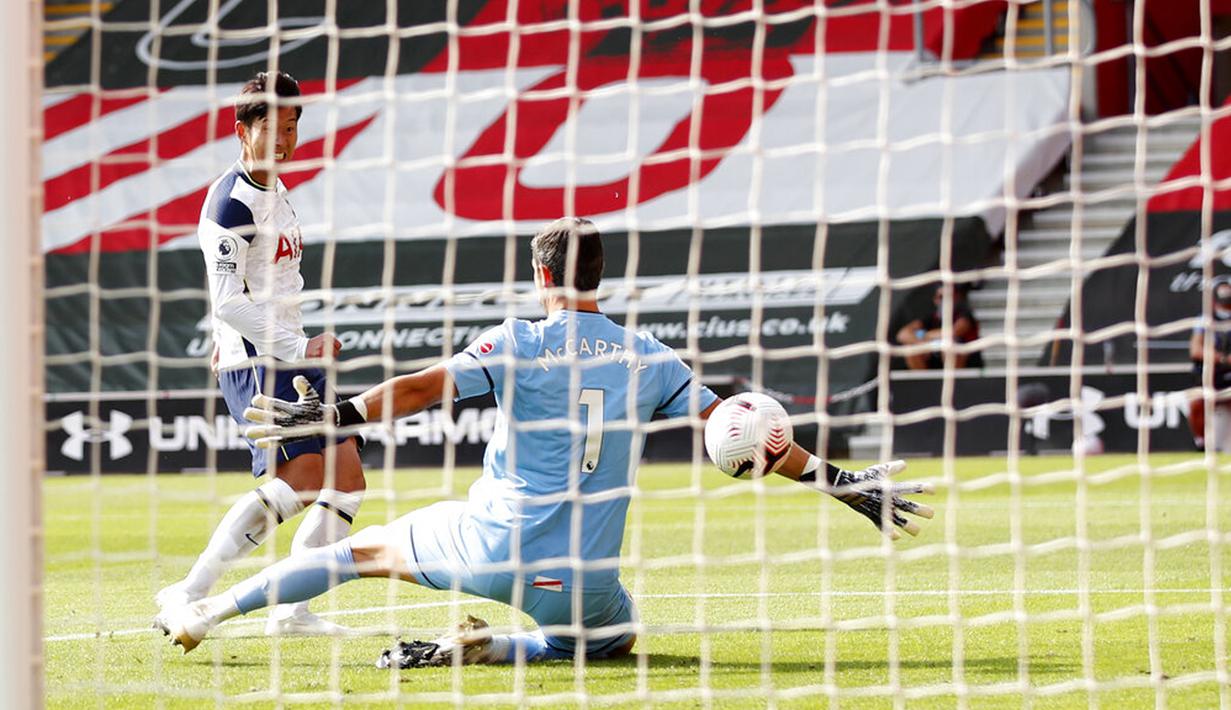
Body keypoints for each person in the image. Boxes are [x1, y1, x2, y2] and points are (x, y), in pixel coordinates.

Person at [155, 218, 933, 663]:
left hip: (489, 543)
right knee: (609, 644)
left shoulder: (518, 341)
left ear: (538, 270)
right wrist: (839, 481)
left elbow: (423, 387)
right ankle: (492, 650)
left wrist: (336, 416)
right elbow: (741, 431)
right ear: (603, 274)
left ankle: (205, 612)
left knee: (351, 556)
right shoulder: (648, 357)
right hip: (582, 573)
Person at [154, 71, 367, 637]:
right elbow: (228, 303)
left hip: (289, 354)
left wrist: (302, 345)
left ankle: (291, 610)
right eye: (270, 127)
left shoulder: (277, 190)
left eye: (292, 127)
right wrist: (299, 345)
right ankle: (191, 589)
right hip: (260, 359)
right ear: (241, 130)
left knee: (345, 478)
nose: (283, 138)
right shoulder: (229, 204)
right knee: (303, 478)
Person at [1188, 282, 1231, 451]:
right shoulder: (1205, 319)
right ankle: (1202, 443)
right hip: (1213, 372)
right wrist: (1223, 359)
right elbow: (1196, 350)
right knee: (1196, 403)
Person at [897, 284, 981, 370]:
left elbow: (953, 332)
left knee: (949, 346)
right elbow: (902, 334)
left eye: (948, 296)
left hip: (964, 363)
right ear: (935, 300)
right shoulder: (932, 317)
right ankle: (923, 381)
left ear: (956, 298)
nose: (944, 301)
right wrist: (923, 344)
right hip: (934, 358)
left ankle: (954, 381)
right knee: (910, 349)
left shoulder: (964, 315)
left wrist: (926, 336)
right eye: (941, 297)